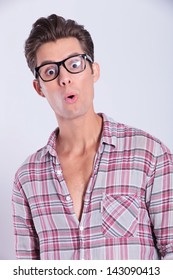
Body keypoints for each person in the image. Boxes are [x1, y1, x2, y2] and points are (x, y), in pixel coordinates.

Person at [12, 14, 173, 260]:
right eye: (50, 71)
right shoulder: (27, 178)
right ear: (39, 88)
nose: (64, 78)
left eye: (74, 65)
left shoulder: (150, 155)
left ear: (93, 71)